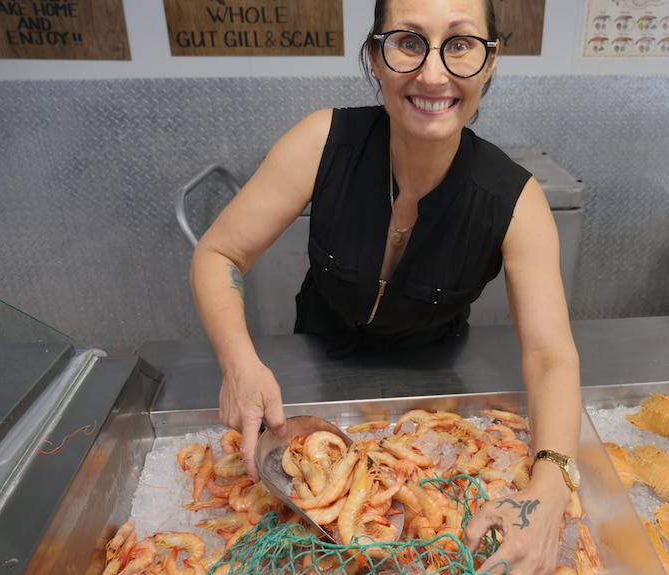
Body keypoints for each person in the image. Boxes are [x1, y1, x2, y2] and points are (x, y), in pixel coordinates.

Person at [189, 0, 582, 572]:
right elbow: (218, 252)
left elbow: (550, 357)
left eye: (461, 43)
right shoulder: (321, 141)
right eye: (408, 41)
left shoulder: (516, 202)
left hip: (433, 389)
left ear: (490, 62)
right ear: (376, 55)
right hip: (312, 379)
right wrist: (238, 363)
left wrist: (550, 481)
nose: (432, 73)